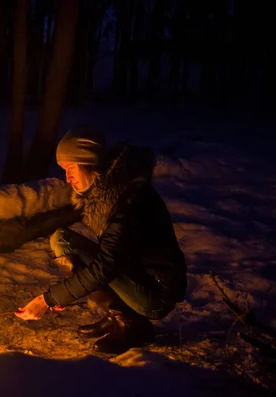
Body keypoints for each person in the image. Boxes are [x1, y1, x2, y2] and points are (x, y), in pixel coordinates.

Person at [15, 126, 187, 355]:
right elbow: (114, 258)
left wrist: (47, 300)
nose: (67, 178)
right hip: (136, 273)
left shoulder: (126, 200)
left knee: (87, 257)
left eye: (70, 169)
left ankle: (133, 326)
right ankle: (117, 314)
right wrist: (66, 293)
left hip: (155, 292)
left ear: (87, 163)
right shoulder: (108, 195)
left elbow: (106, 266)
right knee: (62, 240)